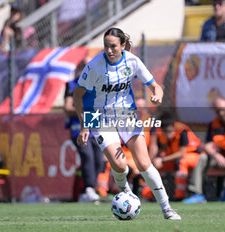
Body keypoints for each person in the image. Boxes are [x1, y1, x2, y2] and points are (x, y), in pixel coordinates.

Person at [73, 28, 181, 220]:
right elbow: (78, 95)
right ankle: (127, 194)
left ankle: (167, 208)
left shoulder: (132, 61)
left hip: (126, 115)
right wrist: (84, 126)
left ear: (123, 46)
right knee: (120, 164)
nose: (109, 50)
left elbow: (155, 85)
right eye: (106, 46)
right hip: (100, 117)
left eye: (113, 46)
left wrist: (157, 94)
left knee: (144, 163)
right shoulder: (95, 66)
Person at [64, 58, 104, 203]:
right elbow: (68, 108)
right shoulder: (72, 85)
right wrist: (83, 111)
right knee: (87, 156)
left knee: (99, 159)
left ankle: (87, 190)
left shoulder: (95, 85)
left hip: (94, 128)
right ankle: (88, 188)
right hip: (78, 129)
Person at [148, 115, 202, 201]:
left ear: (173, 127)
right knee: (153, 166)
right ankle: (149, 195)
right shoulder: (159, 132)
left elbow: (181, 153)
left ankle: (180, 196)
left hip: (193, 155)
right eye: (165, 131)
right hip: (173, 158)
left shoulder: (182, 130)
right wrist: (155, 161)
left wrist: (162, 159)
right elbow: (156, 148)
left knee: (181, 162)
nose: (168, 134)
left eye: (170, 131)